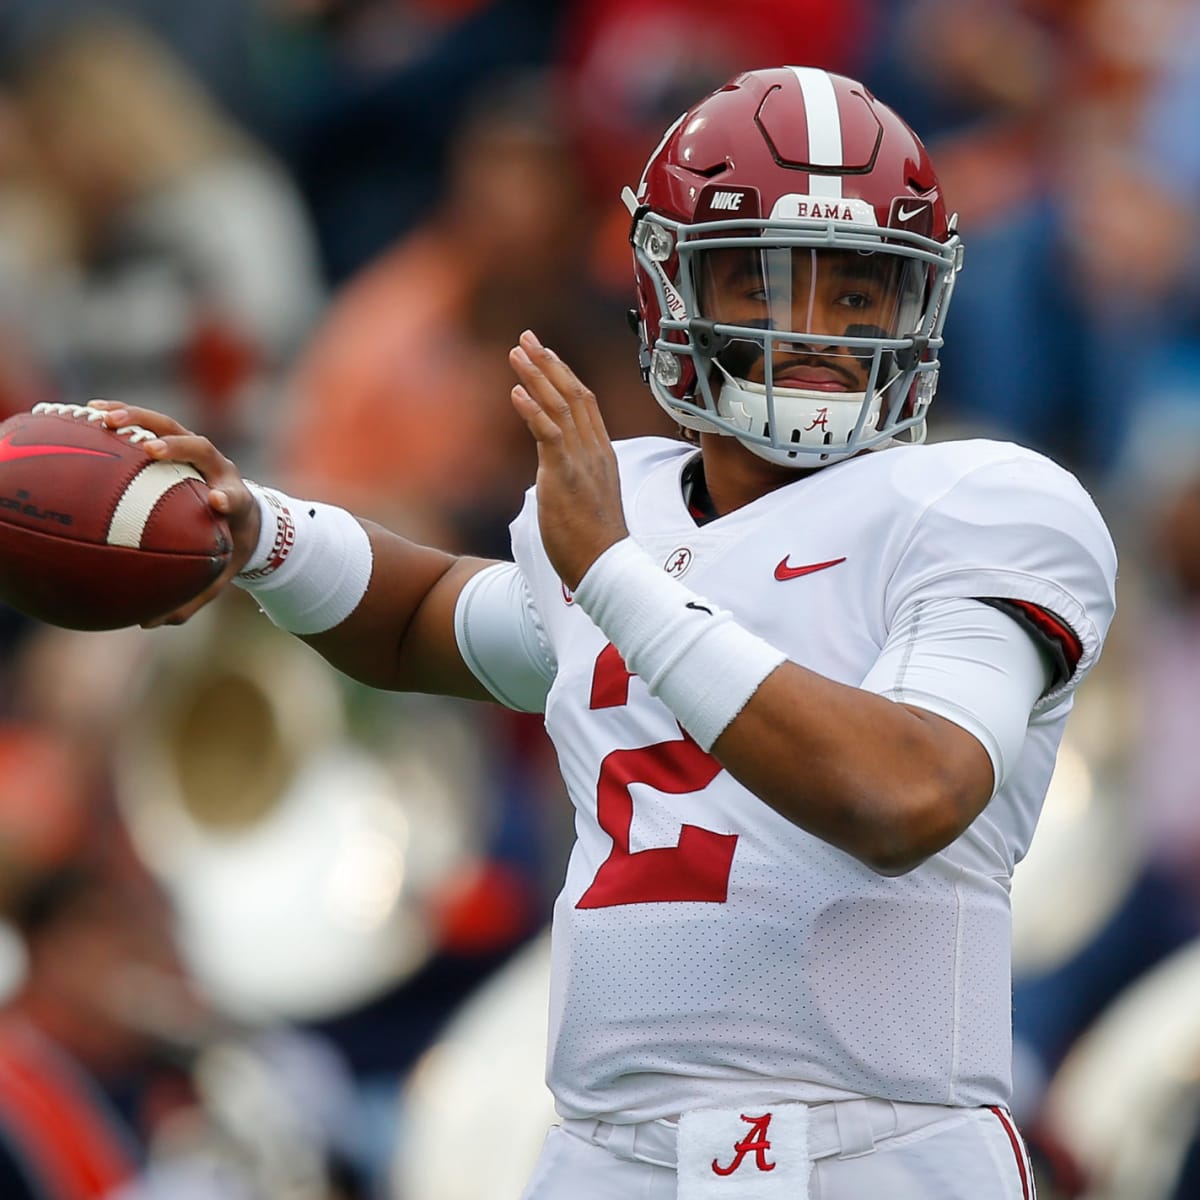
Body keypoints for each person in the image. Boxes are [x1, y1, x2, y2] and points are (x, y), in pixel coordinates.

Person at [88, 65, 1117, 1200]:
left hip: (875, 1151)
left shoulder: (979, 505)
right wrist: (259, 531)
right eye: (771, 282)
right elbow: (428, 619)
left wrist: (618, 578)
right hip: (608, 1155)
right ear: (671, 287)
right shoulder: (614, 509)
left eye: (862, 294)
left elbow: (905, 795)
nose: (821, 332)